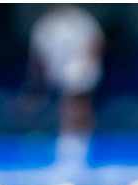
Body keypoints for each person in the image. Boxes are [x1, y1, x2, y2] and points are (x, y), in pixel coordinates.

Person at [29, 5, 105, 164]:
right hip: (58, 72)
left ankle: (84, 143)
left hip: (82, 68)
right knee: (69, 107)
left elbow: (97, 42)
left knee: (79, 104)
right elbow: (38, 57)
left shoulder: (80, 19)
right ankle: (68, 144)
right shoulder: (45, 24)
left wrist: (87, 63)